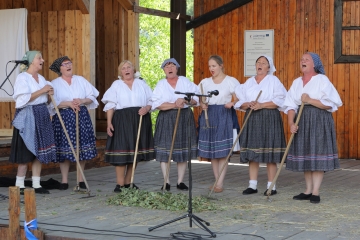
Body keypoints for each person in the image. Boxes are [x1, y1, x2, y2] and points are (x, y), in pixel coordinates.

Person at [284, 52, 342, 204]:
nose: (302, 61)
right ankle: (308, 190)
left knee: (317, 154)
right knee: (306, 154)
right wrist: (291, 123)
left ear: (314, 64)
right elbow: (290, 105)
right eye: (301, 59)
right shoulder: (297, 82)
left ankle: (316, 191)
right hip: (301, 119)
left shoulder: (322, 80)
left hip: (318, 119)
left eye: (306, 59)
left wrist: (310, 100)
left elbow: (331, 103)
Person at [234, 55, 287, 196]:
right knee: (253, 153)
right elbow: (240, 101)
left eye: (264, 63)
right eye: (258, 62)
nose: (260, 65)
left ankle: (272, 186)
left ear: (269, 67)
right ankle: (252, 185)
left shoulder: (273, 80)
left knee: (270, 153)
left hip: (269, 117)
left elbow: (281, 100)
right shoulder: (249, 82)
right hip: (252, 118)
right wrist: (249, 104)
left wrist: (262, 104)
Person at [102, 60, 155, 192]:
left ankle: (128, 182)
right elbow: (110, 104)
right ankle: (119, 184)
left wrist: (147, 107)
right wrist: (109, 123)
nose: (126, 70)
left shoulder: (142, 83)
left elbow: (152, 99)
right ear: (121, 72)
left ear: (133, 70)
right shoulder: (116, 85)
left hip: (140, 119)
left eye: (128, 67)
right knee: (121, 151)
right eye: (123, 68)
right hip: (122, 120)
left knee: (135, 152)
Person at [9, 50, 56, 194]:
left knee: (39, 151)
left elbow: (46, 101)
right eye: (39, 58)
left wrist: (49, 95)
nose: (42, 60)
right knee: (25, 151)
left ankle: (36, 184)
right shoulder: (22, 78)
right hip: (28, 115)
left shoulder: (41, 78)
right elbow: (22, 100)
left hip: (41, 115)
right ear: (31, 62)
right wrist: (42, 90)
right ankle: (19, 184)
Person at [49, 56, 99, 190]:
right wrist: (69, 103)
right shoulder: (55, 83)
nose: (68, 66)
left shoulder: (80, 80)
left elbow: (92, 96)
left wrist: (81, 101)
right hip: (64, 117)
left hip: (81, 115)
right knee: (65, 149)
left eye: (69, 63)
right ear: (60, 69)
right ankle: (64, 180)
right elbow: (53, 103)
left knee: (81, 148)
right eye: (64, 64)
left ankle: (80, 179)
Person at [152, 58, 198, 191]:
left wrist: (184, 100)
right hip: (166, 117)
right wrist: (174, 104)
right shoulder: (161, 84)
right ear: (164, 70)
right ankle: (166, 181)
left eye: (172, 66)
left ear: (177, 68)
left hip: (184, 117)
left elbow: (195, 99)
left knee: (182, 148)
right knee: (165, 148)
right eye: (167, 67)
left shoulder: (185, 81)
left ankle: (180, 181)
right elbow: (157, 104)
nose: (170, 68)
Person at [198, 55, 240, 193]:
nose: (211, 69)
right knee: (212, 151)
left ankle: (220, 183)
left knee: (222, 152)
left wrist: (232, 103)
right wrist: (202, 104)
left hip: (224, 114)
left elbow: (240, 97)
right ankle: (217, 181)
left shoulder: (230, 81)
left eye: (214, 66)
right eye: (209, 66)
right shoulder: (205, 82)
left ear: (221, 65)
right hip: (209, 115)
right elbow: (200, 98)